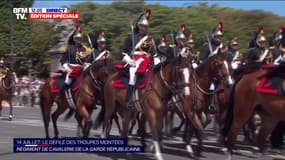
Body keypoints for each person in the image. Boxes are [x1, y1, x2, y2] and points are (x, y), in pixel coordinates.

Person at [121, 9, 155, 108]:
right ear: (139, 26)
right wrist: (129, 60)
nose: (143, 28)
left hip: (147, 61)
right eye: (142, 26)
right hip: (134, 62)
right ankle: (128, 100)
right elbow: (124, 53)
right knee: (132, 77)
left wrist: (155, 59)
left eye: (145, 26)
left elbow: (153, 53)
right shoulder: (131, 37)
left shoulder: (150, 39)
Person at [55, 25, 89, 101]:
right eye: (77, 38)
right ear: (74, 39)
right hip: (71, 68)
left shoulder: (84, 49)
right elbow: (63, 60)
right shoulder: (69, 47)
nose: (78, 40)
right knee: (68, 80)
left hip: (81, 68)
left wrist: (86, 62)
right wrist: (67, 68)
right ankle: (60, 95)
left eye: (80, 39)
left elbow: (87, 60)